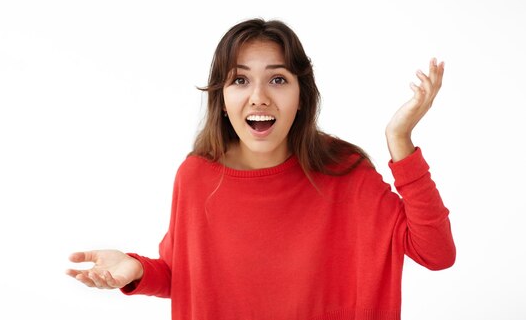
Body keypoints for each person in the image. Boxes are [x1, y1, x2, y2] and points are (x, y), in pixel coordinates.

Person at [66, 18, 456, 320]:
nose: (259, 97)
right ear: (221, 98)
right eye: (240, 79)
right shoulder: (196, 177)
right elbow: (188, 279)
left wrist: (400, 140)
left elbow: (436, 253)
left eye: (277, 79)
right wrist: (135, 269)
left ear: (302, 96)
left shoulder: (345, 173)